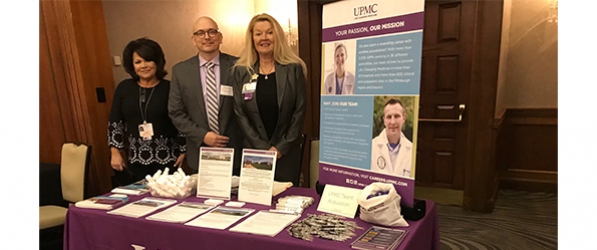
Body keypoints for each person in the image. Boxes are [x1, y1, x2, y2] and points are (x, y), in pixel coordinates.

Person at [230, 13, 307, 187]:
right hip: (254, 153)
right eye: (258, 34)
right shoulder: (241, 71)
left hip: (286, 153)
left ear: (277, 36)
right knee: (257, 202)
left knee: (286, 200)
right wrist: (263, 149)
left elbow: (299, 111)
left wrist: (280, 148)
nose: (264, 38)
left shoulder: (294, 69)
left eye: (269, 32)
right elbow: (240, 112)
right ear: (252, 39)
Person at [168, 16, 244, 175]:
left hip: (236, 150)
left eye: (212, 32)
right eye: (200, 33)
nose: (207, 37)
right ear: (193, 39)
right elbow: (176, 112)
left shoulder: (239, 66)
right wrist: (203, 136)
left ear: (220, 37)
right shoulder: (180, 71)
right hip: (200, 152)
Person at [108, 38, 186, 184]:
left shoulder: (170, 88)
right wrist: (115, 152)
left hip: (169, 160)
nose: (143, 66)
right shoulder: (124, 88)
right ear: (132, 65)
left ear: (157, 62)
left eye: (148, 61)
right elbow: (115, 123)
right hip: (136, 160)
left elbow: (180, 120)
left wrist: (184, 151)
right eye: (138, 62)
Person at [371, 99, 413, 177]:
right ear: (384, 120)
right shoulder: (371, 147)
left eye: (397, 116)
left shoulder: (412, 150)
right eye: (389, 117)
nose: (393, 122)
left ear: (403, 118)